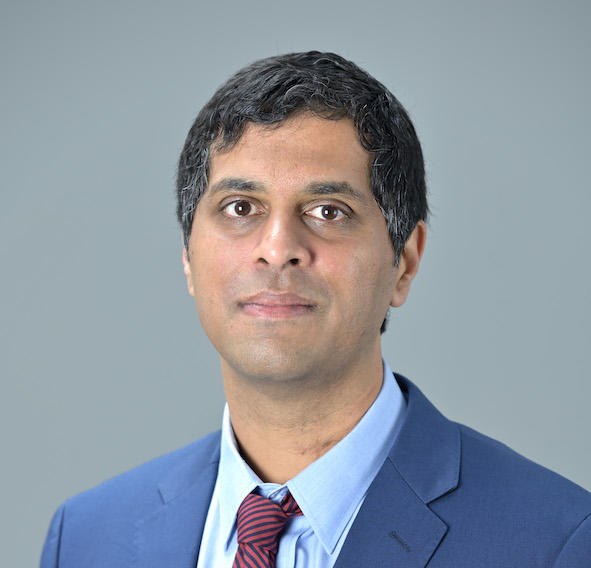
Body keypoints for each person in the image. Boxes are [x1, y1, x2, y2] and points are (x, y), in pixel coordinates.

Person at [40, 51, 591, 567]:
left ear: (405, 261)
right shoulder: (87, 537)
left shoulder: (556, 541)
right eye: (240, 207)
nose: (278, 248)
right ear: (188, 255)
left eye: (328, 210)